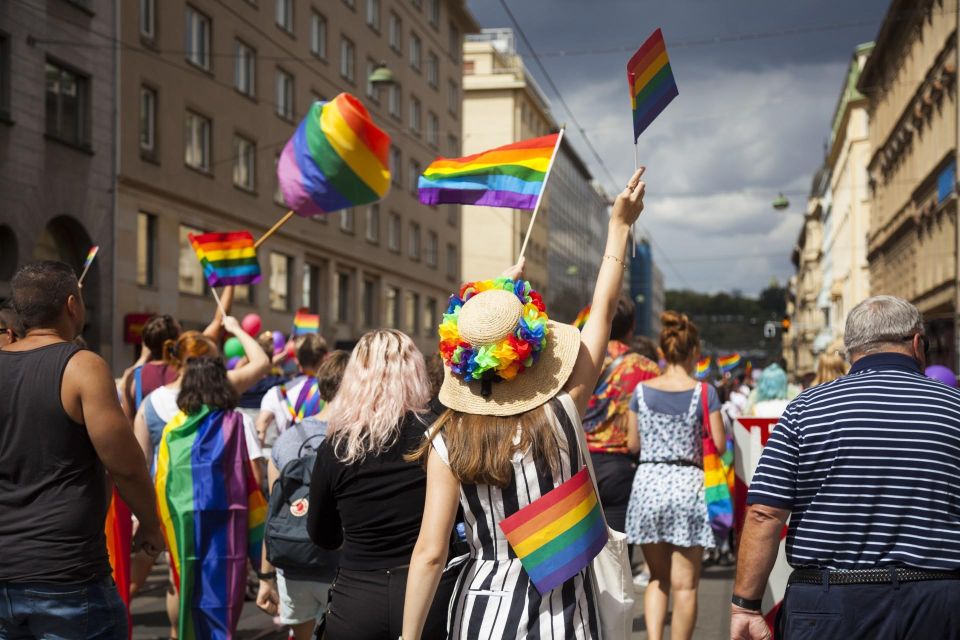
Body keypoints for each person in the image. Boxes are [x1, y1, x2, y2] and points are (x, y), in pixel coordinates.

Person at [401, 168, 647, 639]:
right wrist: (619, 227)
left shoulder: (445, 440)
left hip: (482, 611)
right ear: (532, 357)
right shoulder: (564, 414)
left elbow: (430, 552)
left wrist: (408, 637)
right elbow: (602, 312)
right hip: (565, 614)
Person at [732, 295, 960, 640]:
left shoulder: (805, 410)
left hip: (829, 602)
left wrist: (745, 605)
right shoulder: (953, 406)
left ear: (850, 351)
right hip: (937, 602)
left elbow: (764, 513)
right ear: (917, 343)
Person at [0, 261, 163, 638]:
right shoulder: (81, 367)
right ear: (73, 305)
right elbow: (125, 466)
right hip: (66, 577)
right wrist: (150, 525)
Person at [306, 329, 457, 640]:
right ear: (414, 372)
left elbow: (322, 533)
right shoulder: (435, 437)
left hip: (357, 598)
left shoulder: (337, 446)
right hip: (430, 595)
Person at [625, 311, 726, 640]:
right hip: (687, 486)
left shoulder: (640, 392)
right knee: (685, 585)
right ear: (695, 351)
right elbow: (720, 444)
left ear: (664, 352)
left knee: (657, 578)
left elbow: (632, 443)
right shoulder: (704, 393)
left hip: (649, 484)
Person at [158, 355, 268, 639]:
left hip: (185, 531)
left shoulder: (173, 429)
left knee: (190, 596)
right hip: (226, 531)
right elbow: (248, 479)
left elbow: (162, 483)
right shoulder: (234, 423)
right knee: (225, 600)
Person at [257, 350, 350, 639]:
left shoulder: (287, 440)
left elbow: (274, 512)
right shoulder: (359, 440)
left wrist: (265, 577)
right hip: (341, 568)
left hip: (293, 566)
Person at [583, 295, 661, 535]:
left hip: (578, 464)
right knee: (619, 556)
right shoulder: (647, 368)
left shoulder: (579, 358)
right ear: (632, 327)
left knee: (578, 556)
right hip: (622, 468)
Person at [256, 333, 328, 442]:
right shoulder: (334, 391)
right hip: (323, 455)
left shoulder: (275, 393)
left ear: (296, 360)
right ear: (324, 358)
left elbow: (260, 428)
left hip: (287, 455)